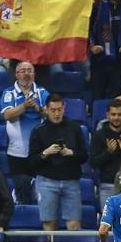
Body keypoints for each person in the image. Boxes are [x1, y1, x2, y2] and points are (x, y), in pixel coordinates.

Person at [29, 93, 88, 230]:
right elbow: (31, 161)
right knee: (49, 224)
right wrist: (46, 153)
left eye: (59, 109)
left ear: (64, 108)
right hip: (46, 181)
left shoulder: (74, 128)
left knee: (74, 224)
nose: (56, 114)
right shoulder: (38, 130)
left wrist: (71, 153)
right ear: (46, 109)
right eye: (53, 110)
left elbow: (85, 156)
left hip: (71, 181)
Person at [0, 60, 49, 204]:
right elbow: (7, 115)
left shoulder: (42, 92)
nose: (26, 74)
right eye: (23, 71)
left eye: (29, 70)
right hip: (16, 152)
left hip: (38, 151)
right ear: (16, 74)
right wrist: (25, 105)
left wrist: (38, 108)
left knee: (38, 191)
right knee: (20, 190)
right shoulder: (9, 93)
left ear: (34, 74)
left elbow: (53, 114)